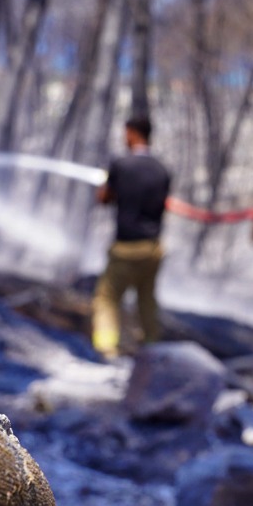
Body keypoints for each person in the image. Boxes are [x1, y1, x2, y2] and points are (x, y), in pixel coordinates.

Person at [92, 116, 171, 360]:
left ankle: (106, 349)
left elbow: (105, 198)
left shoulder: (121, 165)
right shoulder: (162, 170)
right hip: (153, 247)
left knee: (107, 299)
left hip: (126, 247)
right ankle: (152, 348)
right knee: (146, 301)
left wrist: (109, 188)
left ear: (133, 133)